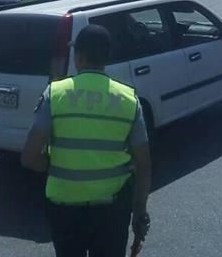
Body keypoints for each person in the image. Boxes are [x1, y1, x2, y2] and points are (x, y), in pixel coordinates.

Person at [22, 25, 152, 257]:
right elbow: (143, 165)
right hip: (111, 212)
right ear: (106, 58)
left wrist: (57, 166)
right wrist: (139, 211)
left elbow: (30, 157)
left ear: (79, 57)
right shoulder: (129, 100)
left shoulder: (55, 94)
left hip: (64, 209)